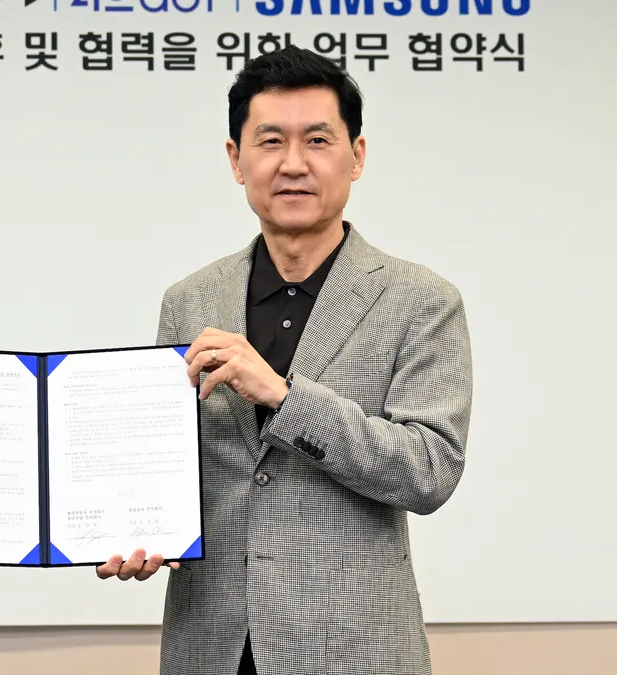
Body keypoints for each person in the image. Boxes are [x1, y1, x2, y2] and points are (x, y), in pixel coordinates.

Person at [95, 46, 473, 675]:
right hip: (208, 647)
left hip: (356, 653)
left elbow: (429, 471)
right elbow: (159, 464)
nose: (293, 163)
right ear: (235, 160)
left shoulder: (421, 301)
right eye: (270, 140)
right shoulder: (191, 300)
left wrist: (283, 397)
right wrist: (133, 531)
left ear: (356, 155)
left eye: (317, 139)